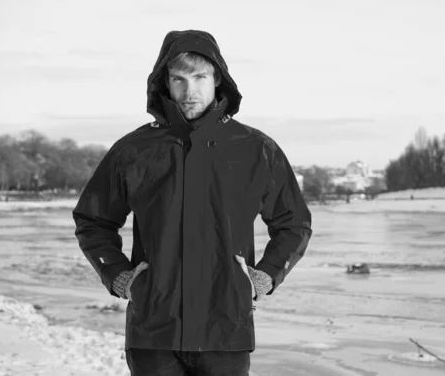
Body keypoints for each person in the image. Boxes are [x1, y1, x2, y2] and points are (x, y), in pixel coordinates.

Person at [72, 30, 313, 376]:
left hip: (226, 330)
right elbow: (92, 220)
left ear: (218, 80)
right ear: (164, 84)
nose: (190, 91)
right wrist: (121, 277)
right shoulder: (134, 150)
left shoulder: (256, 149)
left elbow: (294, 223)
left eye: (200, 77)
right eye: (179, 79)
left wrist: (263, 278)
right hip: (153, 333)